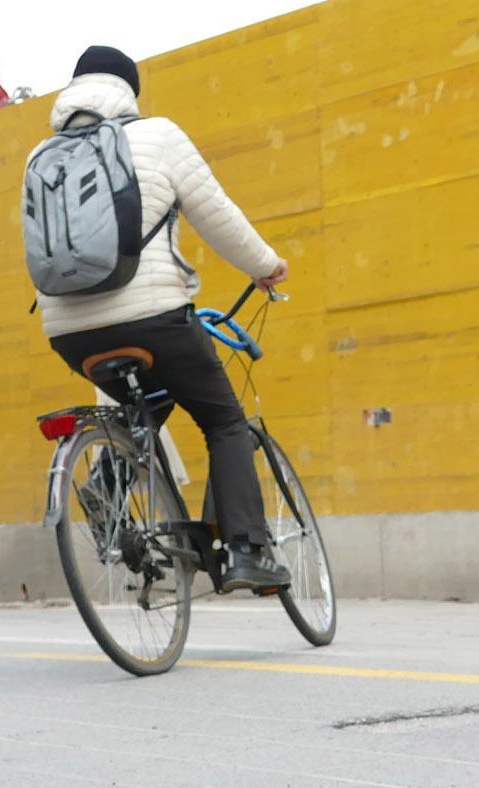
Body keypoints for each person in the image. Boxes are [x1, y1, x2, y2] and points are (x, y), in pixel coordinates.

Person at [31, 46, 291, 594]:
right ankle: (248, 549)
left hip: (69, 334)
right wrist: (266, 267)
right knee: (224, 421)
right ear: (129, 91)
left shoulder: (42, 157)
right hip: (154, 319)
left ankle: (109, 487)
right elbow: (219, 216)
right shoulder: (157, 135)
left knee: (144, 407)